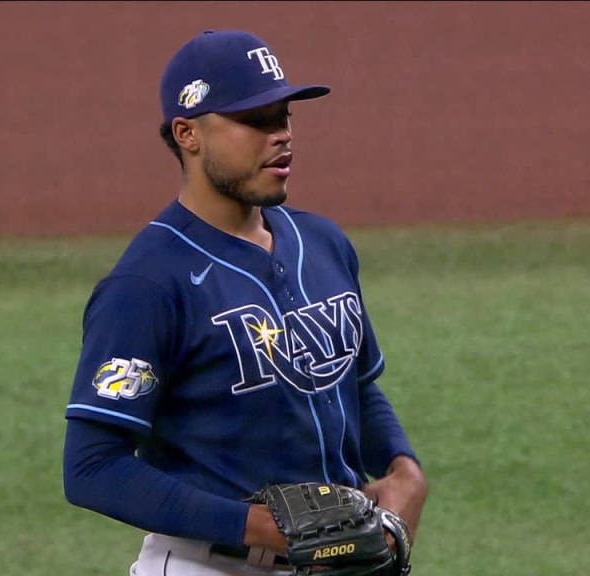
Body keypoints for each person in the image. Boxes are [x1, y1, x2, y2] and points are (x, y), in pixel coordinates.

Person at [61, 29, 428, 575]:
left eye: (284, 117)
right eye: (255, 121)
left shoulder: (322, 243)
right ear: (188, 133)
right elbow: (93, 468)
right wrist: (262, 527)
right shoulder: (147, 284)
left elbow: (352, 382)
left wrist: (402, 471)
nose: (280, 136)